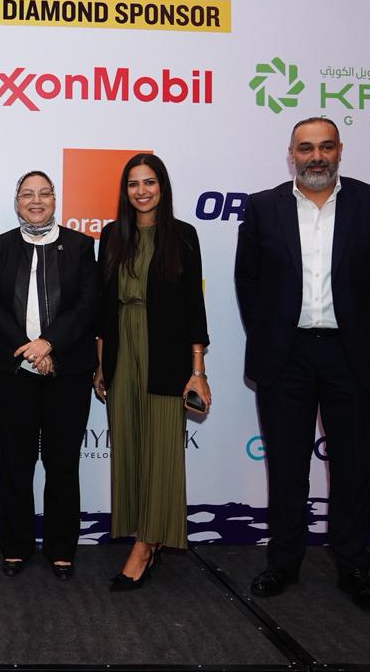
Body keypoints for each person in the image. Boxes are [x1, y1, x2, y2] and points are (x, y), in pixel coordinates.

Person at [235, 116, 370, 614]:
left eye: (325, 147)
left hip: (353, 356)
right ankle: (283, 562)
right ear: (291, 154)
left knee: (354, 469)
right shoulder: (264, 206)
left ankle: (353, 567)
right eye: (306, 148)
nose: (316, 156)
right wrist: (270, 337)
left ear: (339, 150)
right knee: (287, 467)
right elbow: (249, 281)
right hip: (286, 356)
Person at [94, 153, 210, 591]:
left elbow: (194, 306)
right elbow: (104, 306)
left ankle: (144, 547)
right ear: (125, 192)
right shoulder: (112, 236)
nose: (141, 191)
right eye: (133, 184)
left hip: (166, 353)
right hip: (121, 351)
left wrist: (197, 370)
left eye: (149, 182)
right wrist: (101, 363)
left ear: (162, 186)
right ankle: (146, 532)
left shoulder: (183, 236)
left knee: (162, 450)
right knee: (129, 447)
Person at [0, 171, 98, 580]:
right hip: (12, 371)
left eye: (44, 194)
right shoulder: (0, 247)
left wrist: (48, 344)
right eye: (27, 194)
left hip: (68, 372)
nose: (36, 201)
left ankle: (61, 547)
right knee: (16, 462)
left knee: (62, 462)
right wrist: (28, 347)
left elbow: (87, 306)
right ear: (16, 203)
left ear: (54, 200)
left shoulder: (81, 246)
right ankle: (15, 545)